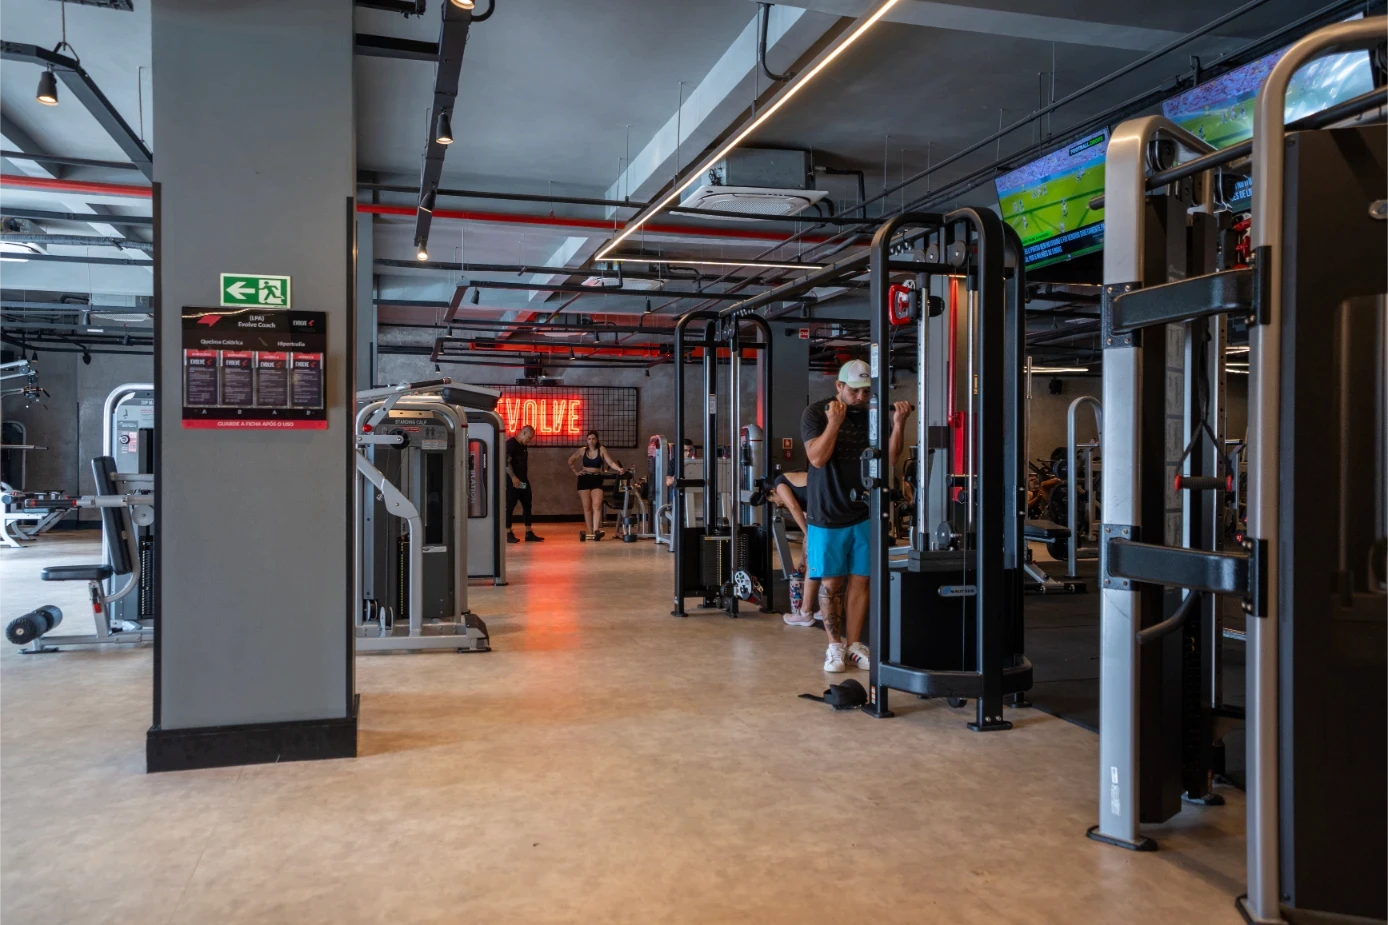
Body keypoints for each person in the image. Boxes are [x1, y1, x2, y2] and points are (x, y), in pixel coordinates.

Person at [802, 359, 910, 672]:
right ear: (839, 386)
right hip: (828, 510)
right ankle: (834, 646)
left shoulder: (873, 414)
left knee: (862, 580)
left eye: (866, 391)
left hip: (865, 510)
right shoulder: (817, 413)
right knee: (832, 583)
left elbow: (890, 459)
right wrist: (835, 423)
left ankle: (853, 645)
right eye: (854, 391)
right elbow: (817, 459)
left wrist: (898, 423)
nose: (861, 397)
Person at [770, 470, 821, 628]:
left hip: (824, 512)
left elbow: (793, 507)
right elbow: (808, 519)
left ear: (773, 491)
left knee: (814, 562)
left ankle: (804, 613)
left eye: (774, 500)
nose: (778, 504)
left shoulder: (780, 483)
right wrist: (802, 558)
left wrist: (807, 533)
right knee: (821, 560)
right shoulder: (804, 489)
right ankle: (826, 608)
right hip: (830, 508)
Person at [568, 430, 625, 539]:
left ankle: (596, 530)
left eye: (593, 439)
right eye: (589, 439)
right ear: (587, 440)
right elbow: (570, 460)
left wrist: (619, 469)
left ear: (597, 440)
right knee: (587, 507)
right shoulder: (582, 450)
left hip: (596, 479)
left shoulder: (601, 449)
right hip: (584, 479)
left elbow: (610, 462)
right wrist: (576, 472)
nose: (591, 441)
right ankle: (590, 532)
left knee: (597, 505)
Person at [505, 425, 543, 544]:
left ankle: (528, 532)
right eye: (529, 438)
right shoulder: (511, 444)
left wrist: (522, 480)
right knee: (509, 506)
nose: (529, 440)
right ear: (524, 432)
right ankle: (508, 533)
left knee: (527, 505)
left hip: (523, 481)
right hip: (512, 482)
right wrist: (513, 477)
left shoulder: (523, 446)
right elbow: (506, 462)